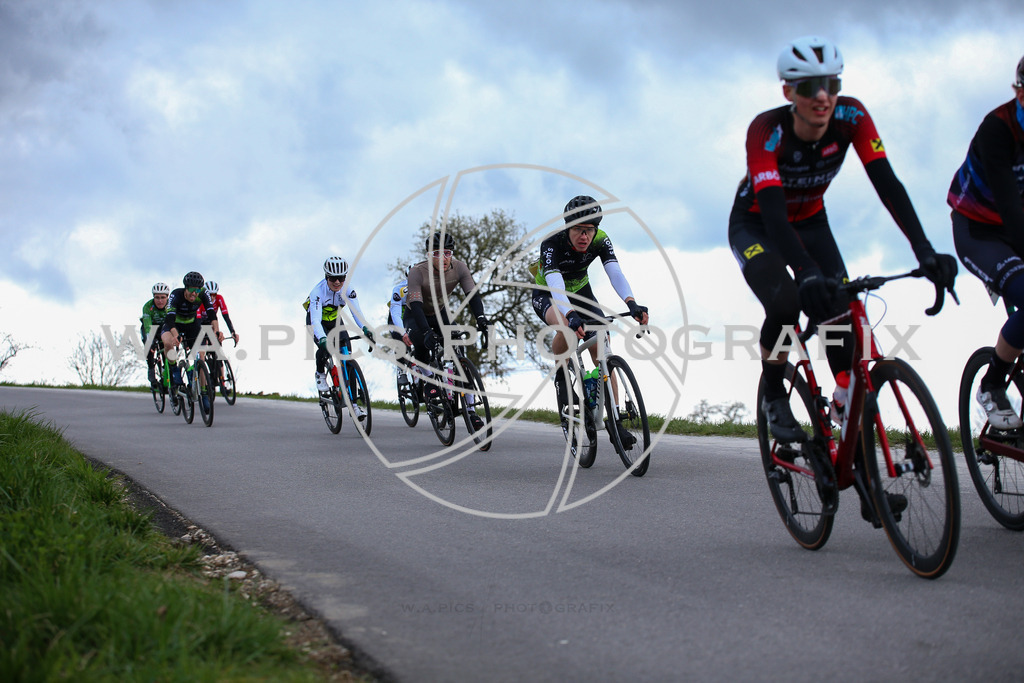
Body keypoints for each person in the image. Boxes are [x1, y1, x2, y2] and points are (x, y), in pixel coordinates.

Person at [728, 35, 957, 443]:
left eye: (831, 84)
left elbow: (888, 184)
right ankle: (775, 395)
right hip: (758, 225)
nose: (822, 96)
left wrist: (924, 249)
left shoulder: (852, 116)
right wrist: (806, 272)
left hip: (812, 221)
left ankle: (845, 403)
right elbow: (776, 215)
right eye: (808, 87)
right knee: (786, 303)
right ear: (788, 92)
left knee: (839, 309)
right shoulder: (766, 130)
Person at [531, 195, 650, 445]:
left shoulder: (601, 239)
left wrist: (631, 302)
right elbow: (555, 283)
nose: (584, 236)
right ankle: (562, 371)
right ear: (568, 228)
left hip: (581, 291)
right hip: (549, 293)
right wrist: (571, 315)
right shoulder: (552, 244)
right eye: (578, 230)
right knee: (567, 328)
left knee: (603, 346)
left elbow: (614, 271)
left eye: (589, 230)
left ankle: (615, 421)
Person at [950, 54, 1024, 429]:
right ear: (1020, 94)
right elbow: (1011, 208)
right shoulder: (999, 128)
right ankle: (992, 382)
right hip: (980, 229)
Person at [405, 231, 489, 430]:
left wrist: (481, 318)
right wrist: (426, 333)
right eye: (436, 253)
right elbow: (416, 305)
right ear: (428, 255)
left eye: (447, 252)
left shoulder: (460, 268)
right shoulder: (417, 272)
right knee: (422, 346)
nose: (442, 258)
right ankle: (427, 382)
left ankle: (470, 410)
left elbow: (472, 295)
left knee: (459, 352)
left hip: (440, 313)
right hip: (415, 315)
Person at [305, 256, 370, 420]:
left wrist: (366, 329)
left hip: (335, 320)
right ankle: (320, 373)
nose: (337, 282)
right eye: (333, 278)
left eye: (341, 278)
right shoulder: (317, 293)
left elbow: (357, 313)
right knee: (325, 348)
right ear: (327, 277)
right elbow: (315, 321)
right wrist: (322, 339)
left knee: (347, 357)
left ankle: (354, 406)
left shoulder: (348, 289)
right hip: (317, 322)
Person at [160, 271, 217, 412]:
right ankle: (174, 370)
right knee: (167, 343)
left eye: (197, 290)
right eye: (192, 289)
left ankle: (203, 393)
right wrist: (176, 335)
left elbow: (211, 313)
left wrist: (216, 331)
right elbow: (170, 318)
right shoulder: (176, 295)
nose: (194, 294)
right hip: (173, 325)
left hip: (192, 325)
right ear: (186, 288)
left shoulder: (203, 294)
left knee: (201, 356)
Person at [140, 282, 170, 389]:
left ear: (167, 297)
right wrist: (150, 342)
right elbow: (148, 326)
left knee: (167, 350)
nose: (160, 300)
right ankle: (151, 370)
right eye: (157, 297)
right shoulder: (148, 306)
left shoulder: (171, 306)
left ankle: (166, 375)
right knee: (149, 347)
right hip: (150, 328)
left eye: (163, 297)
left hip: (164, 329)